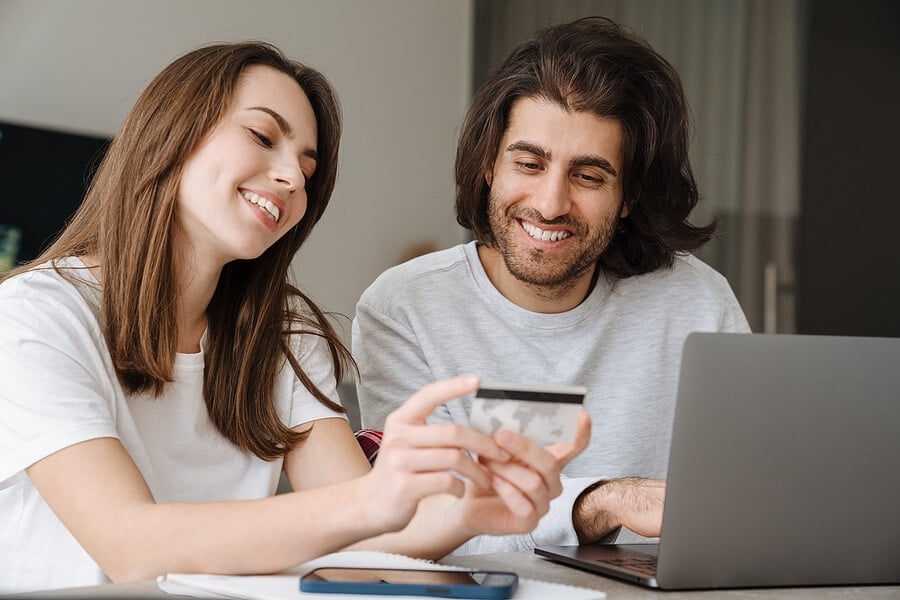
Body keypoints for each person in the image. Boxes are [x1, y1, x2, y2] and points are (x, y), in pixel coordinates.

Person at [0, 42, 590, 593]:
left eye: (307, 170)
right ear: (169, 137)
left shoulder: (279, 333)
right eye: (262, 136)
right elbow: (130, 547)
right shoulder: (36, 316)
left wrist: (472, 510)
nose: (290, 178)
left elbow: (367, 534)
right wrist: (373, 500)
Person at [352, 16, 751, 554]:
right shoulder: (403, 308)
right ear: (490, 164)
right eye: (529, 163)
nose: (550, 203)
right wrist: (599, 502)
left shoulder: (697, 302)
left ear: (628, 195)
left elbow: (744, 500)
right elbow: (424, 526)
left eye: (589, 176)